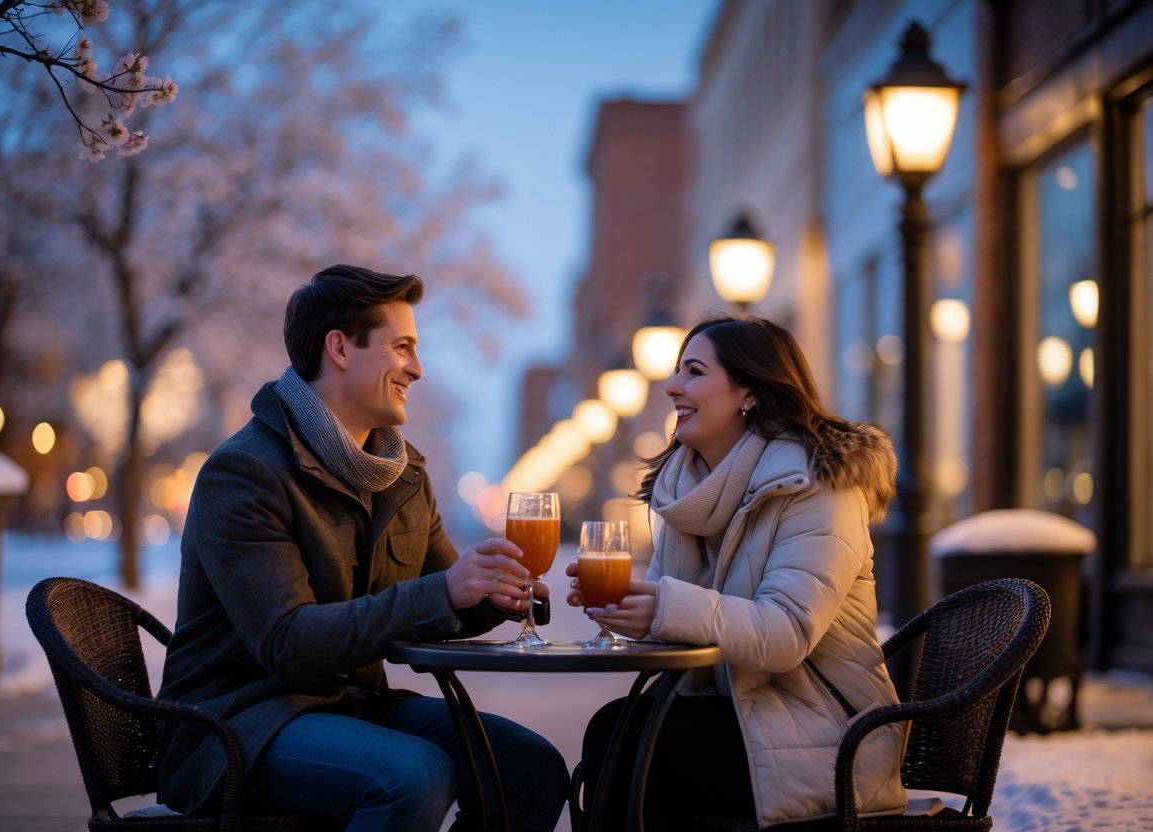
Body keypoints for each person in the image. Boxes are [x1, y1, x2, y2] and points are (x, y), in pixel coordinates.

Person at [156, 264, 569, 831]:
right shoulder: (245, 473)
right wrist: (444, 591)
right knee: (413, 775)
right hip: (239, 721)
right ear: (340, 349)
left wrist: (495, 595)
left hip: (352, 702)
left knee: (532, 767)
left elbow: (446, 596)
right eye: (402, 348)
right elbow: (287, 644)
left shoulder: (403, 476)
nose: (417, 369)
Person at [566, 315, 908, 830]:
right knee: (619, 732)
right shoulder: (689, 491)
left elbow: (785, 633)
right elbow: (685, 623)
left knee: (629, 741)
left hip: (830, 736)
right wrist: (639, 612)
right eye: (677, 371)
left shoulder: (817, 485)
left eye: (694, 372)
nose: (672, 386)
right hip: (741, 715)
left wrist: (665, 607)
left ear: (749, 393)